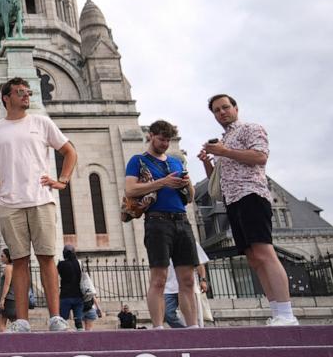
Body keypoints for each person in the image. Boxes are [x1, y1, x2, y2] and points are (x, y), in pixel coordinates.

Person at [0, 78, 78, 333]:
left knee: (47, 258)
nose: (26, 96)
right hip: (10, 205)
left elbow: (70, 151)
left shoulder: (41, 122)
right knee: (20, 261)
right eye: (20, 92)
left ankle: (55, 317)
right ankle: (22, 320)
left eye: (28, 92)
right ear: (6, 97)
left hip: (41, 200)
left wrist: (63, 180)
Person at [200, 94, 297, 326]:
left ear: (235, 108)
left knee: (265, 253)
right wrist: (208, 161)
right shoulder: (226, 139)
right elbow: (218, 181)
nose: (222, 112)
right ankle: (276, 312)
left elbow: (260, 157)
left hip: (252, 195)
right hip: (233, 201)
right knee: (254, 258)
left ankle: (286, 313)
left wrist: (223, 152)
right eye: (217, 110)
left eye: (225, 107)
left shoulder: (250, 128)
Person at [125, 120, 199, 328]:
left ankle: (192, 327)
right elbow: (130, 190)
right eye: (161, 139)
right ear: (151, 136)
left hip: (181, 220)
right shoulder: (138, 160)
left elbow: (191, 197)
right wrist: (163, 182)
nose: (165, 144)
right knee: (159, 279)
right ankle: (158, 328)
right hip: (157, 221)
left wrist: (186, 184)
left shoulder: (176, 162)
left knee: (188, 280)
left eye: (168, 140)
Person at [57, 244, 83, 331]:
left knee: (63, 321)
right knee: (79, 321)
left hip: (65, 295)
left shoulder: (61, 264)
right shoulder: (78, 263)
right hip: (78, 295)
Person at [0, 249, 16, 332]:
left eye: (2, 256)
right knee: (15, 322)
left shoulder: (8, 268)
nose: (1, 258)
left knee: (1, 323)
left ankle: (4, 342)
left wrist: (2, 299)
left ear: (8, 257)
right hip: (13, 298)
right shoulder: (15, 267)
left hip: (8, 299)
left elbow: (7, 284)